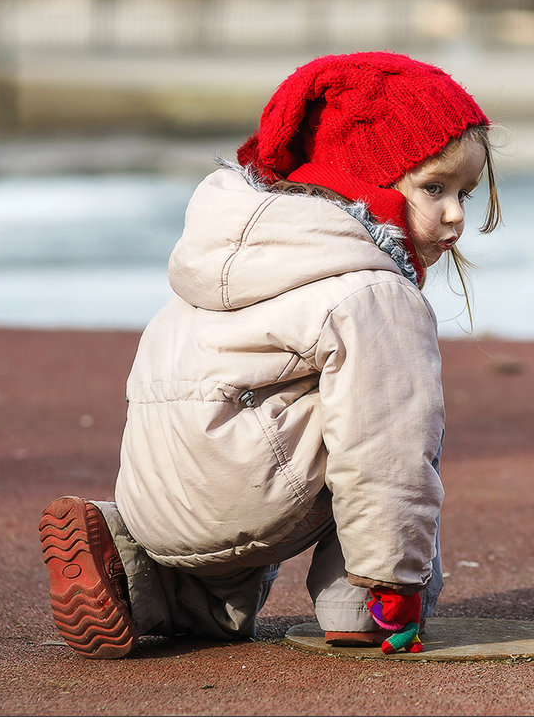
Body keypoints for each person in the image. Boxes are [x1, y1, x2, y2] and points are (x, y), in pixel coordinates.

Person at [37, 51, 501, 659]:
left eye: (466, 190)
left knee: (215, 569)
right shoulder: (373, 291)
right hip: (244, 485)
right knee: (393, 430)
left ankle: (134, 563)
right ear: (363, 182)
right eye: (434, 187)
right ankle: (365, 607)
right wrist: (397, 577)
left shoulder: (237, 250)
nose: (456, 214)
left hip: (155, 490)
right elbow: (386, 449)